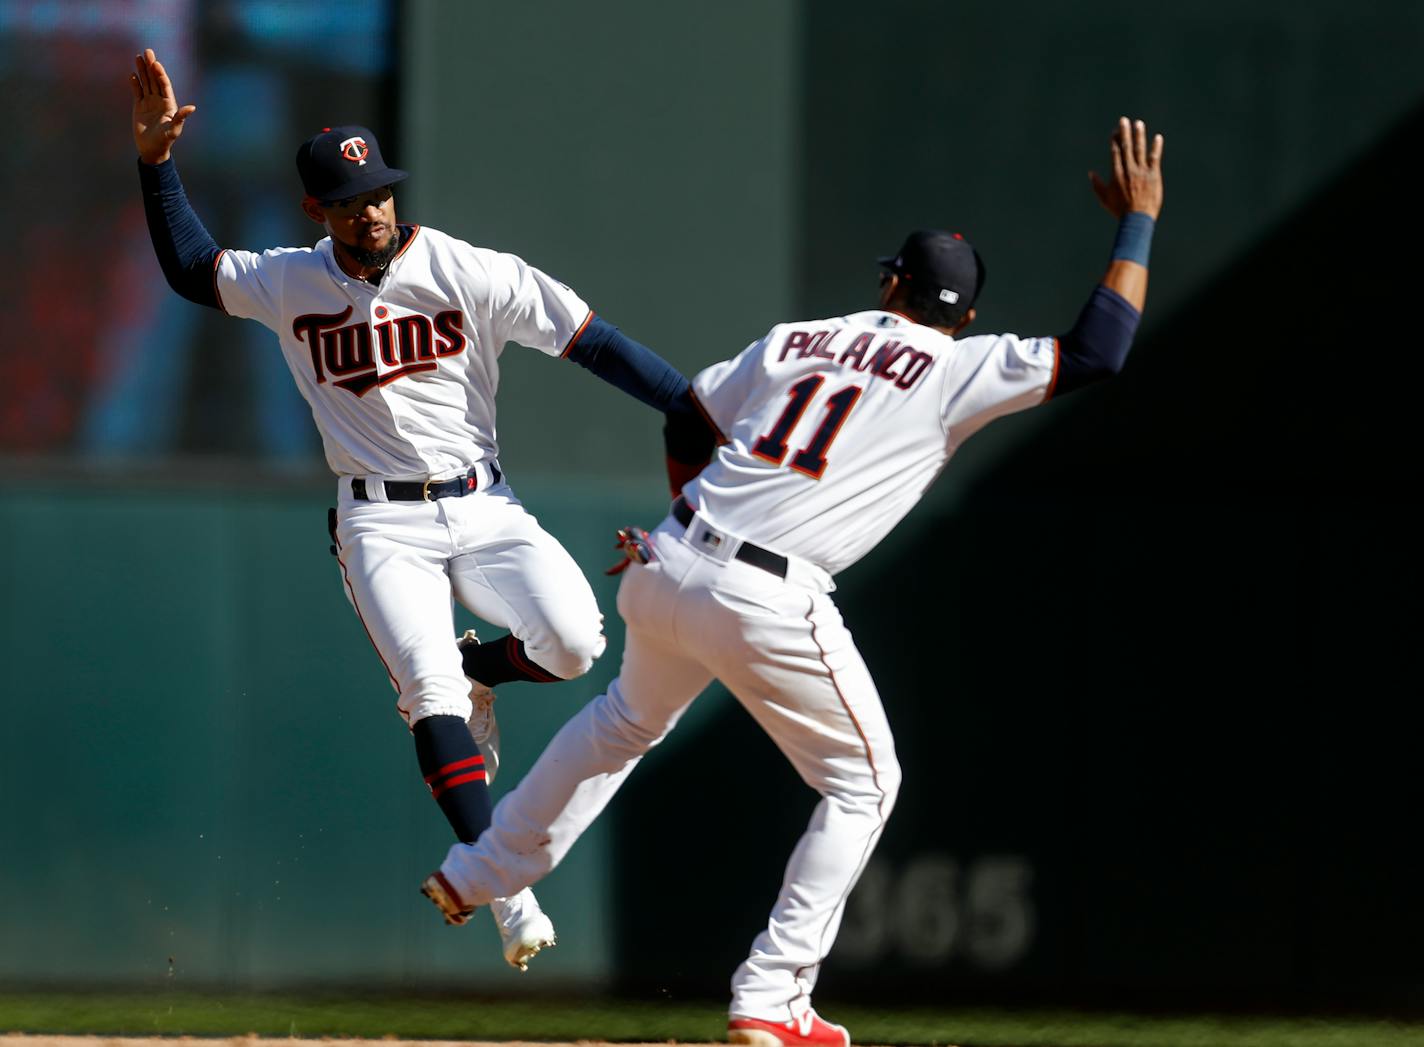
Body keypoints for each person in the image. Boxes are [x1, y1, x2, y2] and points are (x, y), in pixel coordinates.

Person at [419, 117, 1165, 1040]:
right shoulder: (961, 364)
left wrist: (687, 521)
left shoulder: (799, 338)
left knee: (622, 722)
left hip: (668, 558)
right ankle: (772, 996)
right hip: (767, 591)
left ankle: (479, 871)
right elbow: (1100, 351)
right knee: (865, 783)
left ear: (890, 283)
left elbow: (688, 415)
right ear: (962, 315)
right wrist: (1137, 222)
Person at [128, 48, 698, 972]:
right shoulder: (290, 279)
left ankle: (483, 668)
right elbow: (196, 269)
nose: (374, 208)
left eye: (382, 189)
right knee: (425, 694)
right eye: (352, 200)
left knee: (575, 643)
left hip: (485, 505)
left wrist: (690, 407)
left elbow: (595, 344)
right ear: (318, 211)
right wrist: (155, 163)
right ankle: (506, 889)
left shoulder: (466, 269)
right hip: (378, 523)